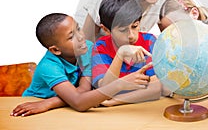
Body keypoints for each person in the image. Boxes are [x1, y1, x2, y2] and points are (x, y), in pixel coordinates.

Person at [11, 13, 151, 117]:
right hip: (35, 105)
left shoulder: (87, 48)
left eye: (78, 28)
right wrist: (120, 84)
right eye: (71, 36)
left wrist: (53, 102)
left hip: (62, 107)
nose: (81, 36)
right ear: (55, 50)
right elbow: (79, 103)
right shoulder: (48, 66)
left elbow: (84, 90)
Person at [92, 0, 162, 106]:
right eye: (123, 30)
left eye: (135, 26)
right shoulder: (101, 47)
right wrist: (121, 54)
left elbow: (157, 87)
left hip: (140, 107)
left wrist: (115, 100)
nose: (131, 35)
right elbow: (104, 90)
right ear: (106, 29)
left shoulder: (149, 41)